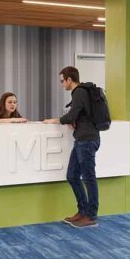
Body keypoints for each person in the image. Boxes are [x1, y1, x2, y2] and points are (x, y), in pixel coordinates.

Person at [44, 66, 100, 228]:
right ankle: (82, 211)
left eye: (63, 81)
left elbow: (72, 115)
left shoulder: (79, 92)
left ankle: (91, 216)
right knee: (72, 175)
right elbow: (79, 115)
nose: (62, 84)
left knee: (89, 178)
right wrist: (72, 121)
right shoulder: (82, 93)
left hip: (87, 141)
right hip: (82, 139)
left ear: (70, 79)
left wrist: (54, 120)